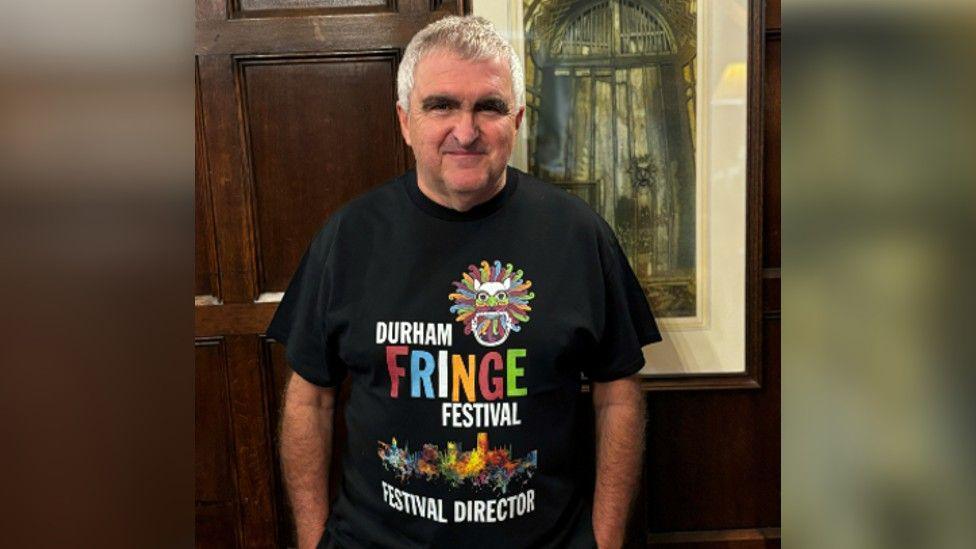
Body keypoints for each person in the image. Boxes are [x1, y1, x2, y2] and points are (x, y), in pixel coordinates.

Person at [269, 15, 662, 549]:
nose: (466, 130)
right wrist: (314, 542)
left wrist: (607, 542)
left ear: (517, 119)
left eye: (489, 106)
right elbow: (309, 399)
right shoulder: (349, 236)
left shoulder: (578, 235)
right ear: (405, 121)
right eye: (441, 105)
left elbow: (618, 395)